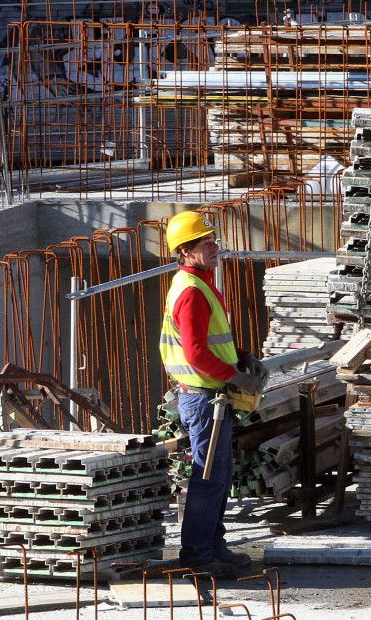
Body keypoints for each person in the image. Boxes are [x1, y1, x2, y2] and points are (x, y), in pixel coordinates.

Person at [159, 210, 266, 578]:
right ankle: (198, 554)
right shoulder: (190, 291)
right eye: (206, 243)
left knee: (219, 474)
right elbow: (196, 354)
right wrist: (236, 376)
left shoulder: (200, 282)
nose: (215, 246)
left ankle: (213, 546)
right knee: (207, 476)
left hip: (210, 395)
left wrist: (241, 356)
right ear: (186, 250)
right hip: (204, 397)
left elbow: (212, 343)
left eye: (213, 240)